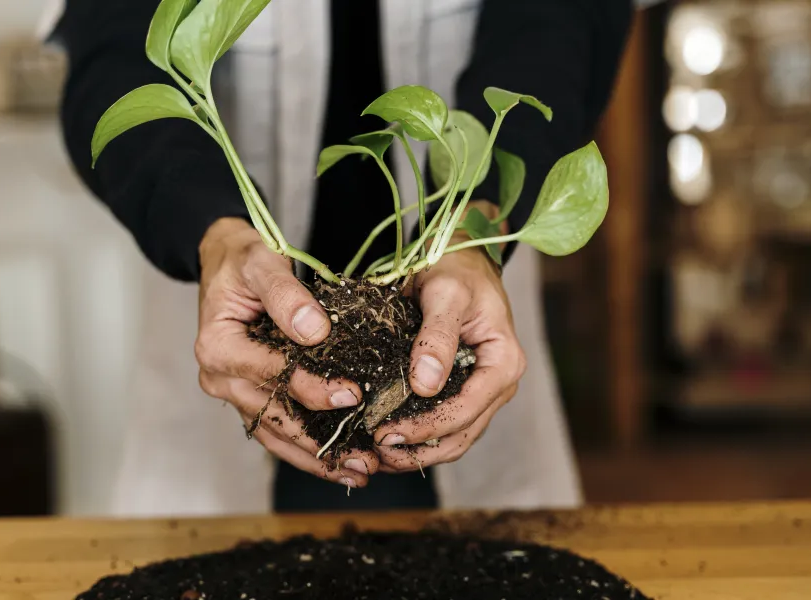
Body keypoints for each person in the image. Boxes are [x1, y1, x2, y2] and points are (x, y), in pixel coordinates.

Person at [47, 0, 644, 517]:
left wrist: (472, 232)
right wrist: (215, 230)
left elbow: (555, 28)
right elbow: (114, 55)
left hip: (459, 335)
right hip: (232, 353)